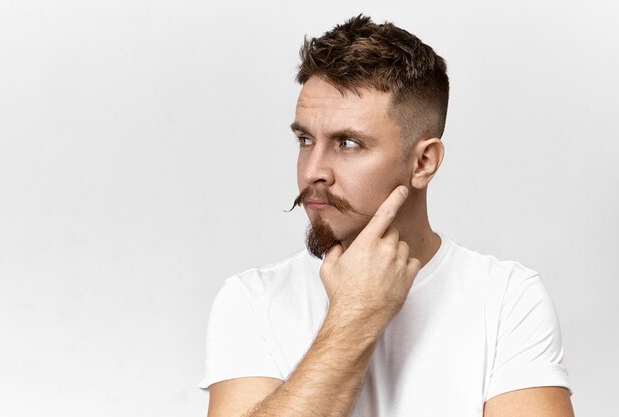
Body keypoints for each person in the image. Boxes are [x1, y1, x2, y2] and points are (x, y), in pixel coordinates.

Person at [200, 15, 574, 417]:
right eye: (306, 140)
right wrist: (355, 316)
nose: (312, 171)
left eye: (348, 143)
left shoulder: (507, 298)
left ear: (423, 162)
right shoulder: (251, 299)